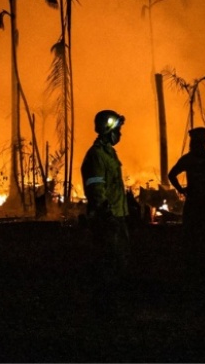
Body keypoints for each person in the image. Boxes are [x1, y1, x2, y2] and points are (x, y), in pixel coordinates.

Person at [81, 109, 130, 308]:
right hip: (107, 218)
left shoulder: (109, 154)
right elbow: (96, 187)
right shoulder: (97, 155)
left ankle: (113, 301)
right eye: (118, 130)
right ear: (108, 130)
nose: (120, 134)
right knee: (108, 261)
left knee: (120, 260)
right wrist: (104, 212)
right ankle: (104, 305)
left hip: (117, 216)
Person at [168, 127, 205, 289]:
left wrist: (182, 190)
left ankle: (197, 277)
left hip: (197, 205)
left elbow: (171, 174)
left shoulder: (189, 159)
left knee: (195, 241)